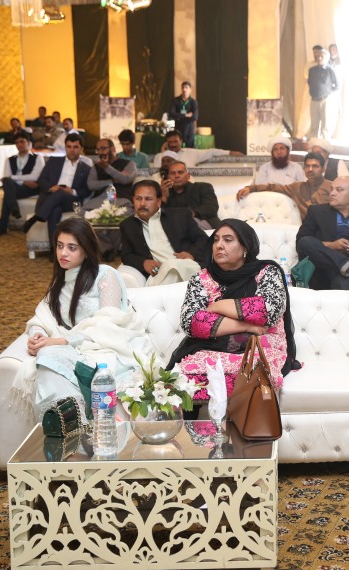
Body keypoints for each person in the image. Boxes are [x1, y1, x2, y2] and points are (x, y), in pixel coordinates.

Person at [12, 218, 150, 418]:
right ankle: (68, 420)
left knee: (49, 356)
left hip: (108, 347)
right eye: (60, 246)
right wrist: (38, 336)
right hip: (77, 348)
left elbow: (108, 326)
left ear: (86, 249)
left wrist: (59, 341)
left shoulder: (105, 276)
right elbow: (42, 317)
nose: (63, 253)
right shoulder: (61, 281)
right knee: (46, 359)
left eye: (72, 248)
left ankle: (74, 418)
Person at [167, 219, 300, 402]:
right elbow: (192, 322)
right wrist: (248, 326)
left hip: (260, 344)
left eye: (228, 240)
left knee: (254, 370)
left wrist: (219, 306)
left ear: (245, 246)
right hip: (211, 347)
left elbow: (268, 311)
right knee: (183, 378)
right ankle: (209, 417)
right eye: (216, 240)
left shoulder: (266, 272)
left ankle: (237, 415)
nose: (219, 245)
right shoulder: (201, 278)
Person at [120, 180, 207, 287]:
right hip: (158, 273)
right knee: (168, 266)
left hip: (186, 267)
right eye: (138, 198)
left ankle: (154, 295)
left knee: (172, 264)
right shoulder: (127, 225)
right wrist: (143, 263)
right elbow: (126, 255)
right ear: (133, 200)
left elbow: (203, 239)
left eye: (148, 199)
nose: (142, 203)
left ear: (158, 201)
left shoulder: (180, 216)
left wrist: (191, 253)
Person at [22, 134, 92, 244]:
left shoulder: (87, 169)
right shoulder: (54, 161)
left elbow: (87, 190)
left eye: (75, 147)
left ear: (81, 149)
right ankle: (54, 248)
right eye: (69, 146)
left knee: (61, 192)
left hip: (71, 201)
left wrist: (72, 191)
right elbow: (41, 180)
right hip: (52, 198)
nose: (72, 150)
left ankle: (36, 217)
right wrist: (51, 188)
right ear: (65, 147)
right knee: (55, 211)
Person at [237, 151, 332, 220]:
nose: (310, 169)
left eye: (315, 166)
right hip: (308, 233)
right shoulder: (297, 187)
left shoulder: (332, 187)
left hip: (329, 230)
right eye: (307, 166)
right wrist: (251, 188)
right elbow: (273, 187)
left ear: (323, 169)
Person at [0, 132, 43, 236]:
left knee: (8, 193)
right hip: (16, 187)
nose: (19, 144)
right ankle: (14, 208)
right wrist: (23, 181)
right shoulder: (10, 159)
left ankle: (2, 226)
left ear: (29, 143)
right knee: (7, 182)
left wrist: (15, 178)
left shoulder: (37, 158)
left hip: (31, 188)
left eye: (22, 142)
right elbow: (7, 177)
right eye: (17, 142)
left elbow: (35, 177)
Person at [161, 160, 219, 229]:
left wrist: (190, 214)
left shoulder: (202, 187)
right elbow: (161, 215)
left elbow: (211, 207)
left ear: (188, 176)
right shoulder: (165, 193)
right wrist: (163, 196)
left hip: (202, 222)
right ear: (168, 177)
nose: (177, 176)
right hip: (176, 226)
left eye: (180, 172)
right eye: (173, 173)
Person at [85, 138, 137, 209]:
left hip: (121, 199)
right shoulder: (97, 166)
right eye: (98, 150)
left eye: (103, 148)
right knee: (84, 210)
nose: (100, 152)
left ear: (112, 148)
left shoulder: (129, 164)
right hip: (100, 200)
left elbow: (126, 179)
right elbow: (91, 185)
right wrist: (112, 181)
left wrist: (107, 167)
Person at [307, 45, 339, 140]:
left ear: (326, 57)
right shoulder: (311, 70)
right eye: (317, 56)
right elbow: (309, 82)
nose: (319, 58)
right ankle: (313, 144)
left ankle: (326, 144)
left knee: (326, 126)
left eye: (321, 56)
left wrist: (327, 92)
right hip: (314, 100)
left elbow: (336, 85)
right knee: (314, 125)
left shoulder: (330, 70)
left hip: (325, 100)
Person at [170, 81, 198, 147]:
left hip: (189, 129)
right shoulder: (175, 100)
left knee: (190, 149)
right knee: (177, 148)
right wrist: (185, 115)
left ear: (190, 90)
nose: (184, 90)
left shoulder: (193, 102)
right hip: (178, 128)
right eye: (183, 88)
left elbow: (195, 117)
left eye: (186, 88)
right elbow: (171, 114)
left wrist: (179, 116)